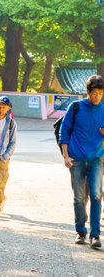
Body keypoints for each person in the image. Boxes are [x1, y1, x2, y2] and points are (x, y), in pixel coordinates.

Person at [59, 75, 104, 249]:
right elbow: (64, 130)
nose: (97, 97)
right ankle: (80, 231)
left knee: (96, 195)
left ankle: (95, 235)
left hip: (96, 160)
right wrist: (66, 155)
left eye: (100, 94)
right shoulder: (75, 107)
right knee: (79, 198)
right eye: (94, 93)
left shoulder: (103, 109)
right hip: (76, 160)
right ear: (87, 92)